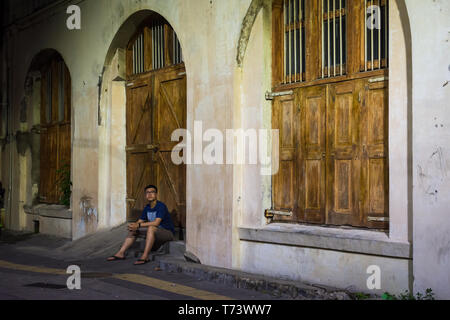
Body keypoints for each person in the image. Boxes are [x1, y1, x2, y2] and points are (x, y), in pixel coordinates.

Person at [107, 185, 175, 265]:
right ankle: (120, 253)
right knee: (134, 229)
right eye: (147, 192)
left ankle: (145, 256)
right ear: (145, 195)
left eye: (152, 192)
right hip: (154, 232)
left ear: (156, 194)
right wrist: (134, 225)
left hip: (167, 233)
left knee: (151, 228)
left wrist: (139, 225)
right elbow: (140, 221)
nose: (150, 194)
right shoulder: (147, 207)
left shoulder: (161, 206)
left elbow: (156, 223)